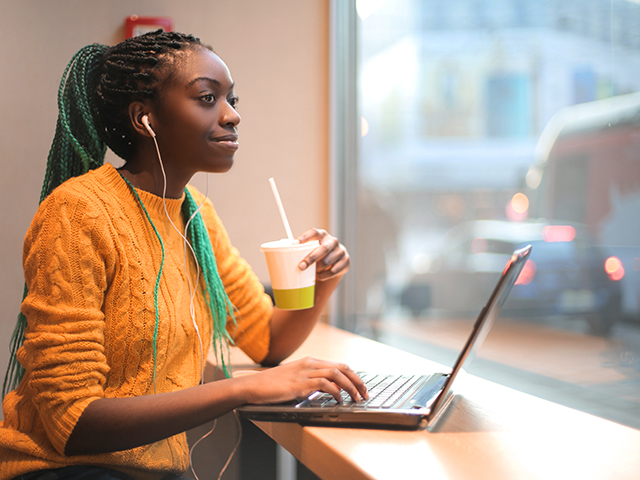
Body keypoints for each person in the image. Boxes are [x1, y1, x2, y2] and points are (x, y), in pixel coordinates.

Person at [0, 30, 367, 480]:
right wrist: (243, 389)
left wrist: (322, 276)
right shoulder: (79, 212)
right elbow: (73, 425)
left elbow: (267, 340)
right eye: (208, 98)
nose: (232, 116)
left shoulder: (196, 213)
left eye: (232, 99)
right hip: (64, 470)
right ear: (145, 119)